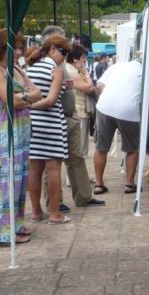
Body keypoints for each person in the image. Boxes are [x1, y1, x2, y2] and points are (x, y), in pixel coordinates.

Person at [41, 26, 104, 211]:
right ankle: (55, 202)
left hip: (71, 116)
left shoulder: (61, 64)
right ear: (50, 45)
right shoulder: (45, 64)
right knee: (52, 163)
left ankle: (84, 196)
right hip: (55, 118)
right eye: (61, 43)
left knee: (76, 158)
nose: (65, 46)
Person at [0, 29, 42, 244]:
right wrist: (25, 97)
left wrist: (23, 97)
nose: (21, 51)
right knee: (6, 177)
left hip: (21, 128)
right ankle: (3, 230)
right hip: (5, 128)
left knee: (20, 176)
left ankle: (15, 223)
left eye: (22, 47)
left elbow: (37, 92)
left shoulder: (15, 68)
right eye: (17, 47)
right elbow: (11, 101)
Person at [25, 34, 73, 225]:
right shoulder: (56, 69)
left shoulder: (31, 67)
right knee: (54, 169)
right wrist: (33, 106)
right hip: (51, 122)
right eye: (63, 52)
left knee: (34, 169)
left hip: (33, 124)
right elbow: (51, 100)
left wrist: (29, 108)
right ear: (52, 49)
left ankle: (36, 212)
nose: (64, 57)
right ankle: (55, 213)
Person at [93, 60, 143, 195]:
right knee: (132, 149)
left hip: (105, 106)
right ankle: (129, 183)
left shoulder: (117, 66)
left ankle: (99, 184)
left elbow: (99, 85)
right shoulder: (143, 71)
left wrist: (112, 98)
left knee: (101, 148)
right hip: (128, 110)